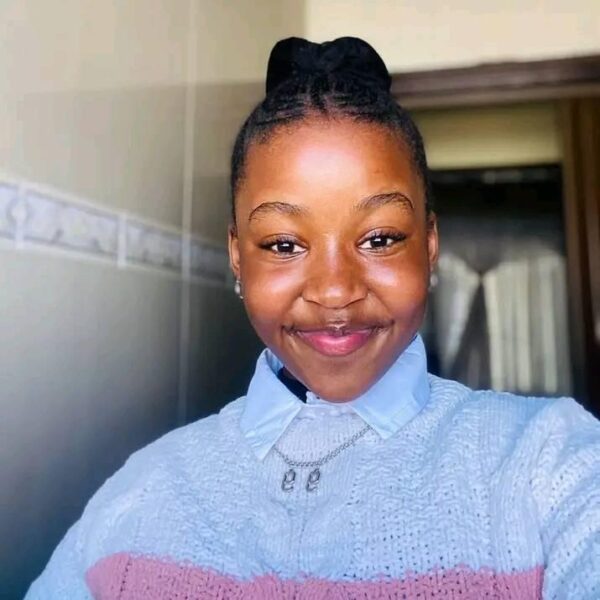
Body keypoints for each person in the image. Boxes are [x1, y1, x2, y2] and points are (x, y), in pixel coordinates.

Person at [27, 37, 600, 599]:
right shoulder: (140, 495)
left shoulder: (546, 462)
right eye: (283, 244)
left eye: (379, 238)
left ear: (429, 246)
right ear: (237, 256)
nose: (334, 292)